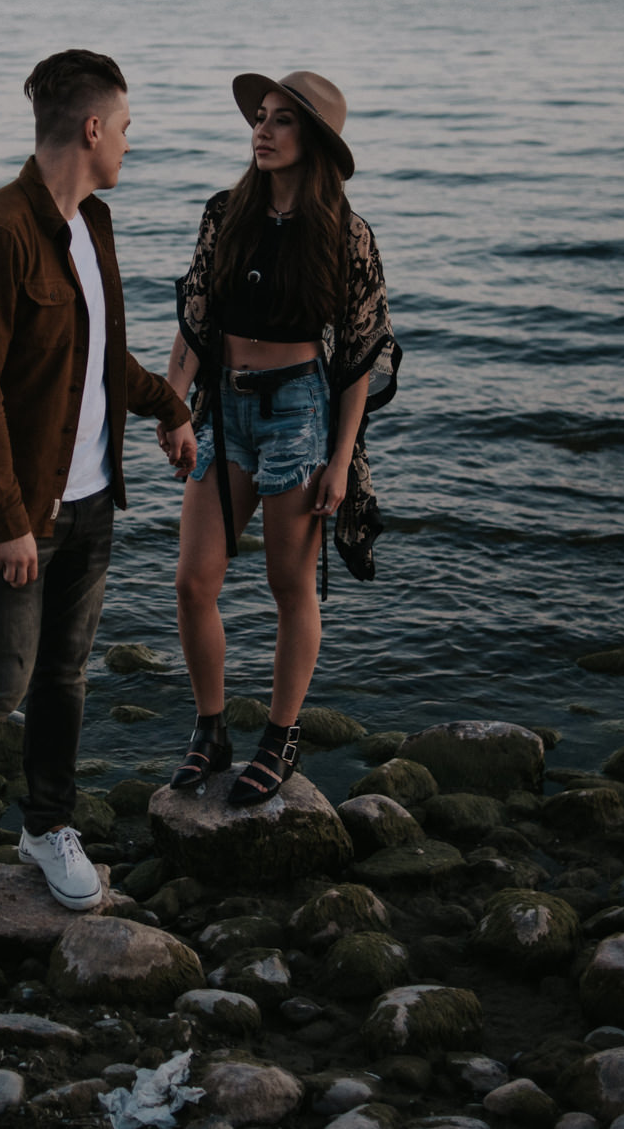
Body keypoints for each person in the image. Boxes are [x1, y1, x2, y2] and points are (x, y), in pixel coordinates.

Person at [0, 49, 197, 922]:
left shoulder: (92, 225)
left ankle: (47, 825)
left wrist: (170, 408)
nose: (127, 142)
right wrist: (5, 520)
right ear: (90, 127)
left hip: (90, 499)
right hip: (21, 510)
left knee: (64, 677)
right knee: (0, 676)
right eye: (125, 127)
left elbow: (101, 358)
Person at [160, 71, 401, 806]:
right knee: (194, 579)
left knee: (288, 585)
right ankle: (211, 729)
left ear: (315, 141)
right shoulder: (225, 213)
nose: (261, 131)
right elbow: (196, 319)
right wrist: (173, 406)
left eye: (281, 122)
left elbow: (360, 354)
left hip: (299, 410)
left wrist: (339, 458)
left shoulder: (346, 235)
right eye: (259, 119)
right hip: (225, 407)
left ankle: (281, 734)